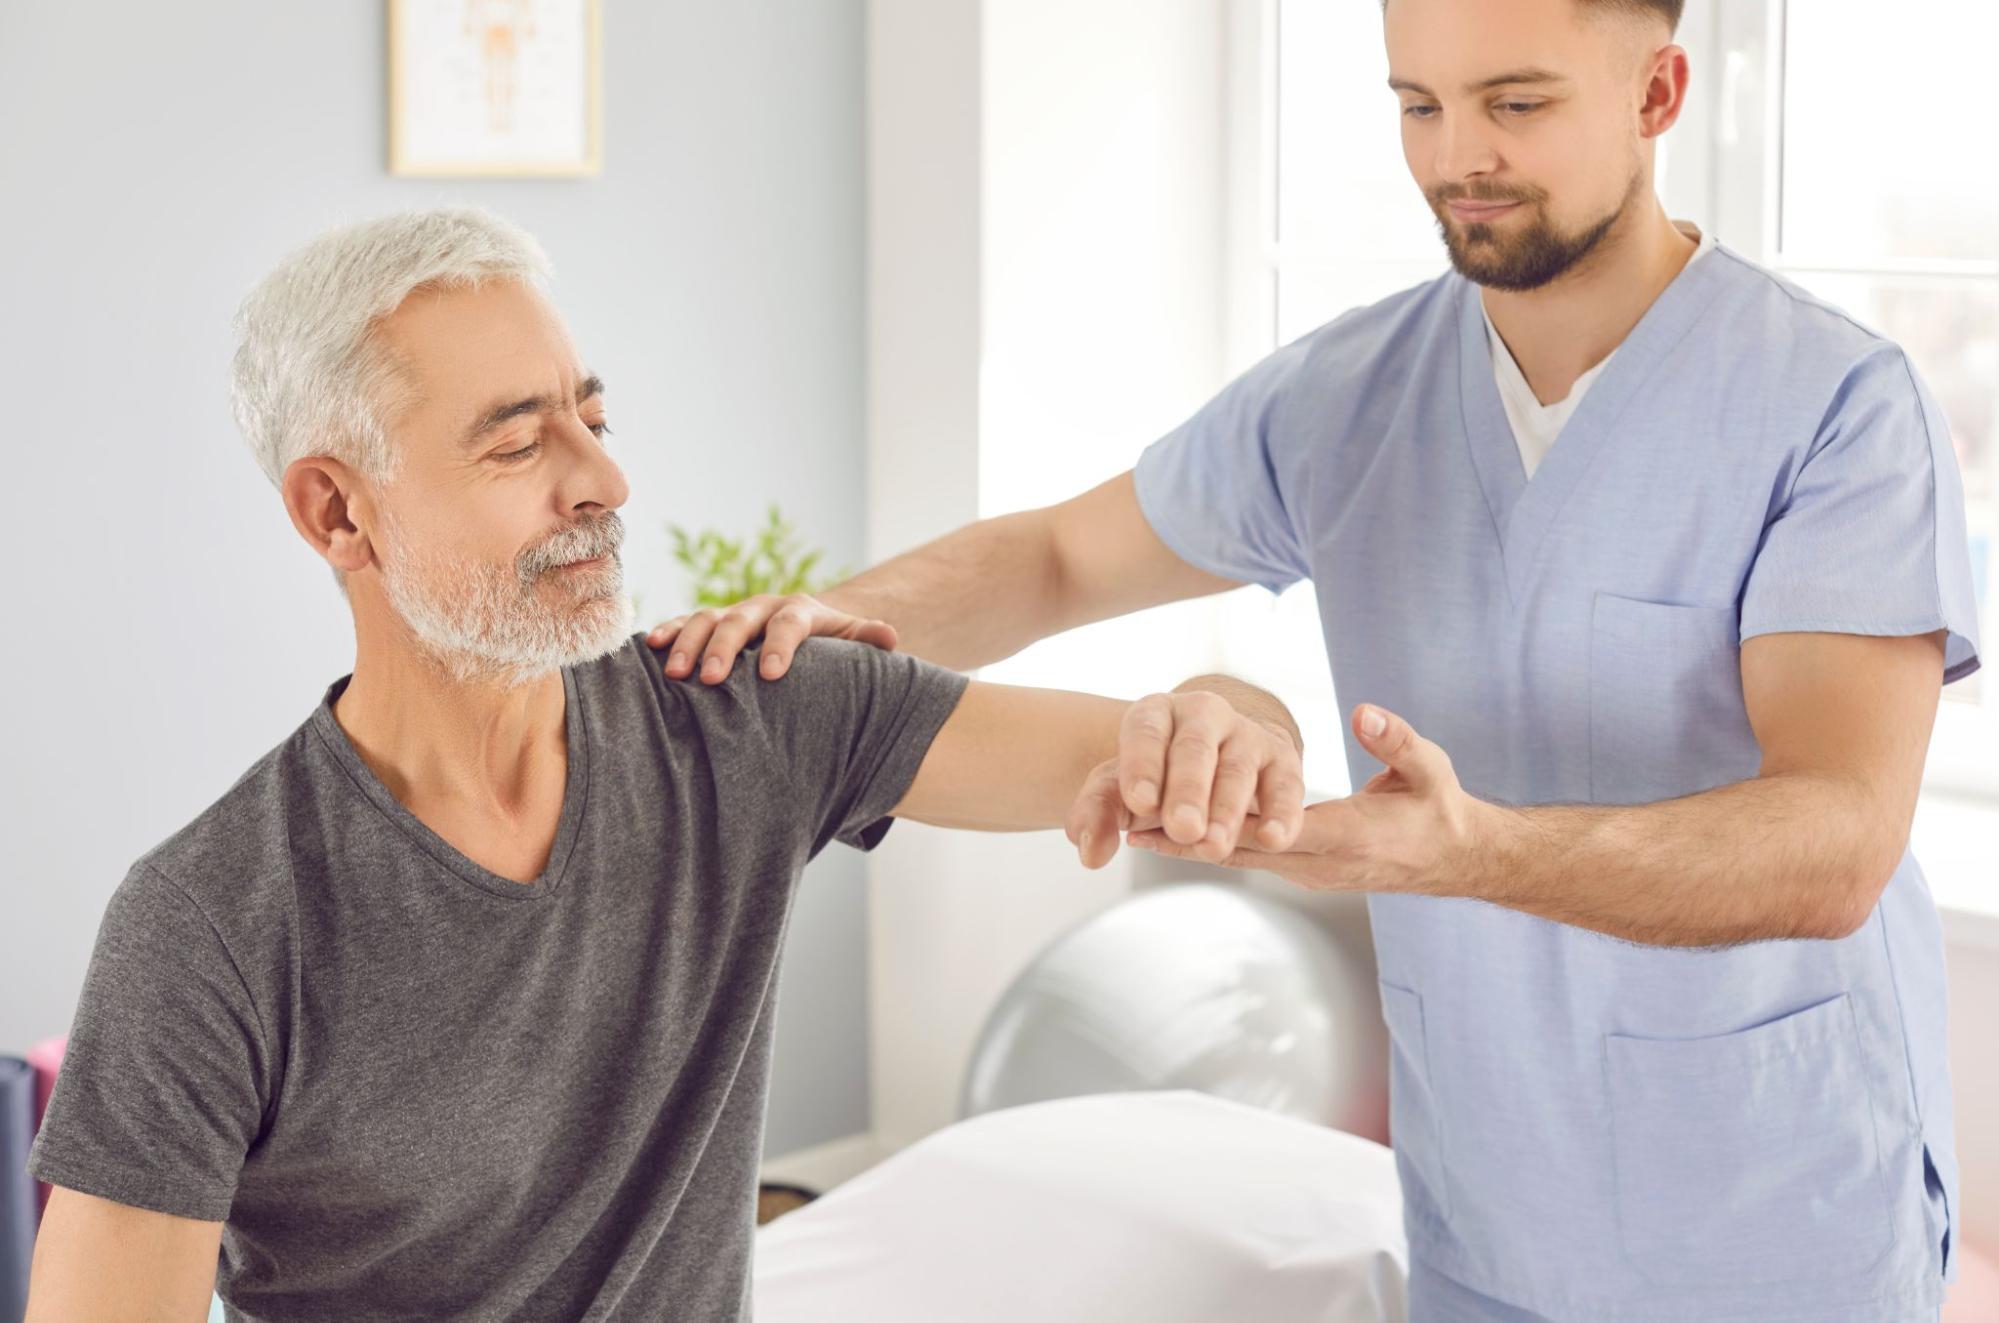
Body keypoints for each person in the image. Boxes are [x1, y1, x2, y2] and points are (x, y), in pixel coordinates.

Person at [643, 0, 1983, 1318]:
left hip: (1778, 1211)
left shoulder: (1831, 406)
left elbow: (1833, 840)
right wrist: (832, 618)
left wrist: (1474, 851)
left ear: (1655, 94)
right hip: (1489, 1216)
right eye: (1416, 102)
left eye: (1514, 102)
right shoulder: (1346, 396)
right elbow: (1057, 556)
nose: (1455, 154)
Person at [21, 207, 1307, 1323]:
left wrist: (1227, 711)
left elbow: (1159, 748)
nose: (604, 481)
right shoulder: (213, 926)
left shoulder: (742, 720)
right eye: (519, 444)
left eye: (592, 416)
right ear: (336, 511)